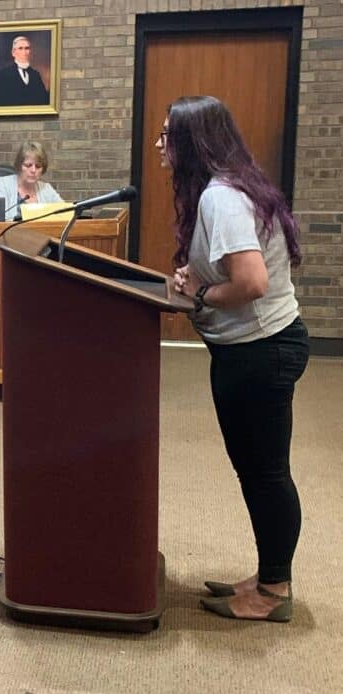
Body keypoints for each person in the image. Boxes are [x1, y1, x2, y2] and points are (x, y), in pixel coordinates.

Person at [159, 96, 308, 623]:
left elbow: (251, 282)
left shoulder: (220, 198)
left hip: (260, 351)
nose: (160, 145)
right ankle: (270, 575)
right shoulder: (229, 187)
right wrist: (196, 278)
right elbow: (232, 272)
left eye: (167, 135)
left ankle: (273, 591)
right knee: (258, 471)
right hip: (255, 348)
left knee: (266, 474)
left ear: (191, 142)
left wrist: (199, 294)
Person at [0, 141, 62, 214]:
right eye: (28, 165)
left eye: (38, 166)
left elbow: (65, 213)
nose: (33, 170)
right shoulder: (1, 184)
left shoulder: (46, 189)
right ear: (19, 166)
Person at [0, 35, 50, 107]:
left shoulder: (35, 75)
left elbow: (43, 100)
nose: (24, 52)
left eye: (27, 48)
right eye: (20, 48)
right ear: (13, 52)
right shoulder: (3, 75)